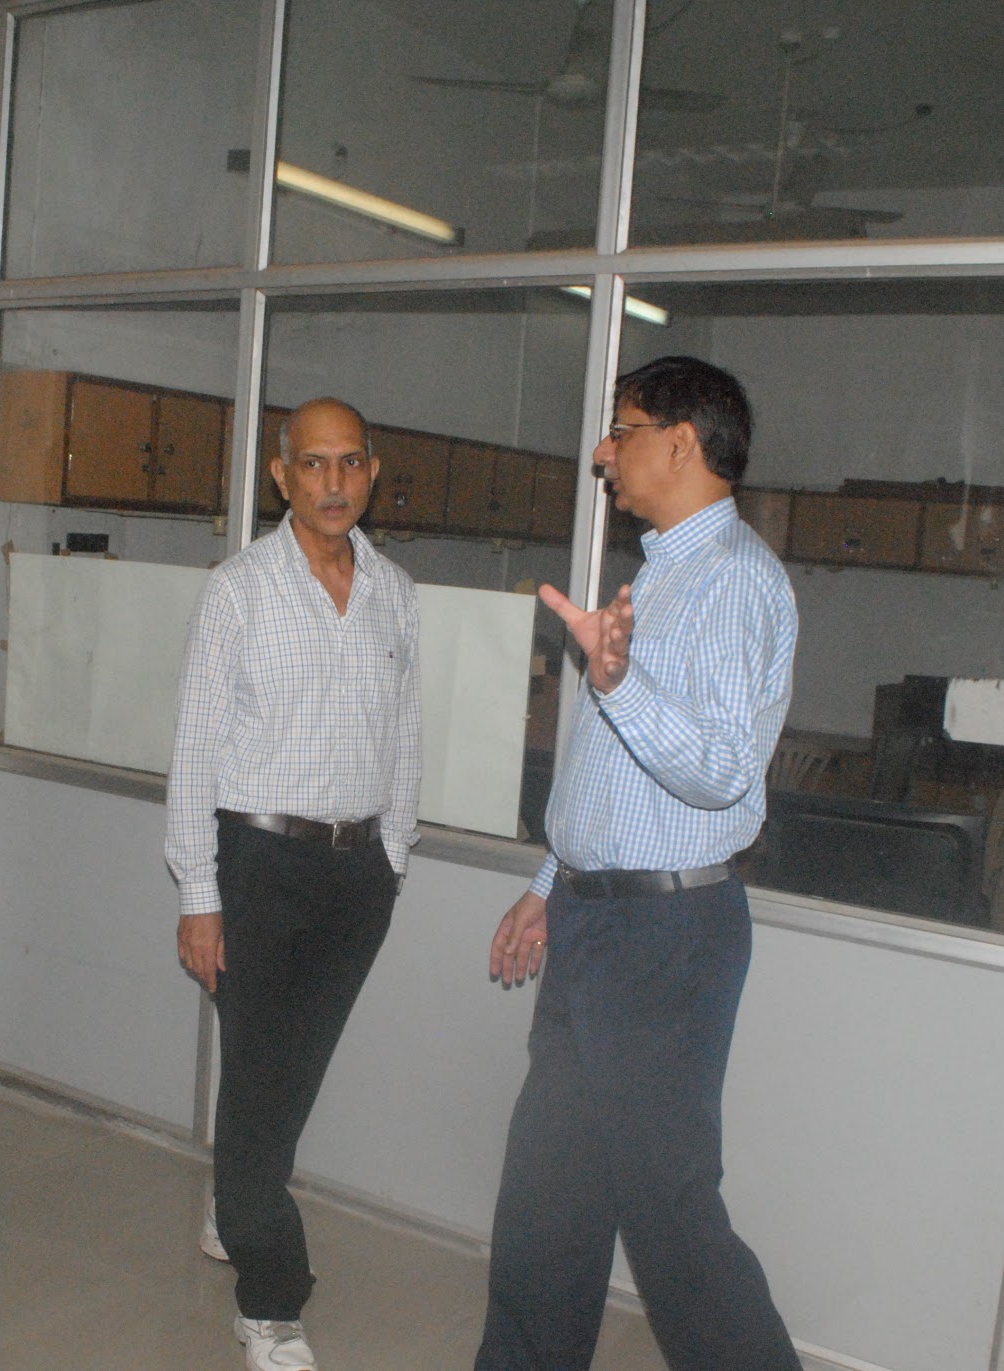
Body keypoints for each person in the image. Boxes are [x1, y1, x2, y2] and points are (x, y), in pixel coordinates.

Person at [475, 355, 803, 1371]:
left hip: (663, 935)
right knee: (548, 1199)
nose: (602, 452)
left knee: (671, 1224)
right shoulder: (663, 572)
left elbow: (719, 772)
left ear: (681, 441)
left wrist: (616, 684)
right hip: (600, 917)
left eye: (620, 429)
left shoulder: (731, 581)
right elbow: (607, 776)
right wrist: (550, 885)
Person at [166, 397, 422, 1371]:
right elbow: (194, 751)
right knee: (264, 1078)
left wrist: (394, 854)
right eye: (312, 464)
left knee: (282, 1073)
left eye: (349, 462)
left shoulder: (395, 592)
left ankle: (234, 1196)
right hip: (256, 866)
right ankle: (269, 1303)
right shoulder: (239, 590)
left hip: (356, 875)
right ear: (281, 477)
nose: (332, 482)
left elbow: (405, 734)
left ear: (371, 470)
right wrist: (200, 893)